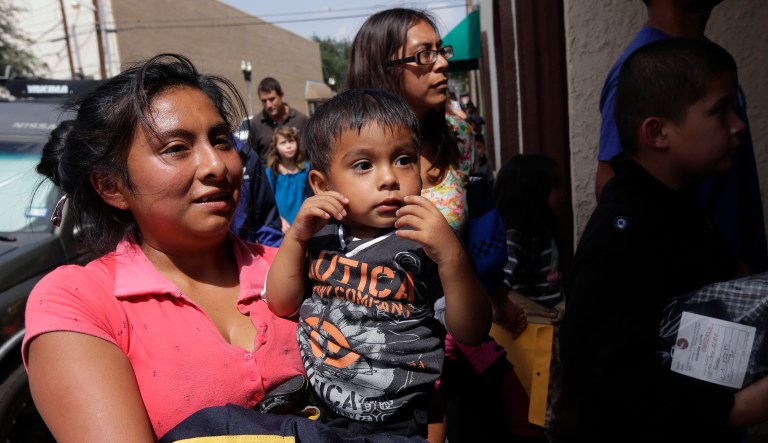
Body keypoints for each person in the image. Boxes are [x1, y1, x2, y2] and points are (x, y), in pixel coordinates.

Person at [23, 54, 306, 441]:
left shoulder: (297, 269)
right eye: (176, 147)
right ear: (112, 187)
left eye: (221, 140)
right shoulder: (80, 301)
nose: (216, 165)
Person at [557, 38, 768, 441]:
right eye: (720, 110)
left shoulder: (678, 205)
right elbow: (606, 375)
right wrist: (734, 409)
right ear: (657, 132)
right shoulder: (625, 233)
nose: (738, 124)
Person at [346, 8, 540, 442]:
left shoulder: (456, 131)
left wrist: (498, 296)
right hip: (386, 348)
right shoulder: (345, 145)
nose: (442, 63)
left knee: (520, 421)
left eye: (441, 51)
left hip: (461, 324)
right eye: (424, 55)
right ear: (384, 68)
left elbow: (483, 224)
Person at [265, 88, 492, 440]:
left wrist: (452, 259)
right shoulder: (318, 236)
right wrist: (295, 237)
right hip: (324, 413)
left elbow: (472, 330)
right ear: (322, 185)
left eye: (403, 159)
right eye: (364, 165)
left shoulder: (425, 241)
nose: (389, 178)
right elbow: (281, 302)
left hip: (403, 419)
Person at [594, 0, 768, 273]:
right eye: (721, 110)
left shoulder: (701, 59)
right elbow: (612, 184)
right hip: (703, 297)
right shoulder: (647, 68)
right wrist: (709, 263)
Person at [264, 126, 311, 234]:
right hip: (282, 227)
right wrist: (279, 219)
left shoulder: (306, 169)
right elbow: (269, 202)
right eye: (283, 143)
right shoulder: (272, 172)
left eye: (291, 141)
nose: (288, 146)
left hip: (304, 223)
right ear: (275, 147)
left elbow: (310, 196)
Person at [248, 77, 308, 157]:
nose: (268, 105)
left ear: (281, 95)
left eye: (272, 99)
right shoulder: (256, 124)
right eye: (264, 101)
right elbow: (251, 157)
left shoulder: (300, 120)